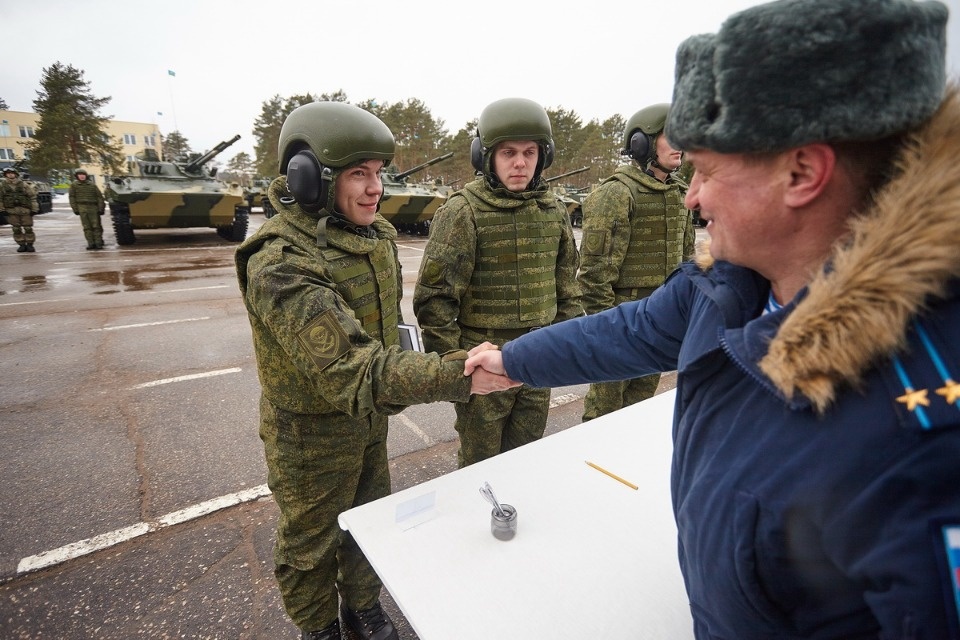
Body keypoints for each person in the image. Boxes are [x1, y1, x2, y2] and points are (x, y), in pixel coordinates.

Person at [465, 0, 960, 636]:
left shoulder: (925, 441)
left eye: (706, 171)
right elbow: (637, 329)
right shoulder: (731, 281)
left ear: (802, 173)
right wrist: (513, 360)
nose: (692, 196)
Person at [235, 102, 511, 640]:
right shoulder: (280, 262)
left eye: (378, 173)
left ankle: (362, 608)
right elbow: (354, 371)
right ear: (310, 179)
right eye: (358, 174)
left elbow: (387, 336)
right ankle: (319, 629)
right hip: (311, 434)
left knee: (369, 520)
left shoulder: (372, 235)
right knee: (310, 543)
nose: (374, 188)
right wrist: (459, 373)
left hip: (368, 422)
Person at [413, 97, 582, 468]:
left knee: (525, 459)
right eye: (508, 152)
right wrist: (458, 367)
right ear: (486, 157)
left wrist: (564, 349)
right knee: (480, 466)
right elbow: (435, 301)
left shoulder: (553, 211)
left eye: (529, 152)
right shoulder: (463, 210)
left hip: (538, 359)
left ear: (544, 156)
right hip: (484, 365)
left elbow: (567, 288)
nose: (520, 162)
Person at [577, 103, 694, 421]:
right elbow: (593, 276)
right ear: (642, 143)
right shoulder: (617, 193)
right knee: (603, 416)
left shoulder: (680, 193)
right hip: (621, 324)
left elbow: (686, 263)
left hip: (660, 322)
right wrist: (608, 332)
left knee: (638, 411)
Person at [1, 166, 38, 252]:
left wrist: (34, 209)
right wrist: (2, 210)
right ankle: (21, 244)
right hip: (11, 210)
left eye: (12, 173)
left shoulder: (23, 185)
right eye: (8, 174)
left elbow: (32, 197)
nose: (10, 175)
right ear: (5, 175)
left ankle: (30, 244)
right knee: (16, 228)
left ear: (15, 174)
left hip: (25, 210)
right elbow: (0, 199)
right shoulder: (2, 186)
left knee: (28, 228)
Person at [68, 169, 106, 250]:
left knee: (96, 226)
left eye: (83, 174)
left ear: (86, 175)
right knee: (87, 227)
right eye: (80, 174)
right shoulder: (74, 185)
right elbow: (72, 198)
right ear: (77, 176)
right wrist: (75, 208)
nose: (82, 176)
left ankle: (98, 242)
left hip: (93, 207)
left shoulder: (92, 185)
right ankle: (91, 243)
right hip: (82, 207)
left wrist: (101, 208)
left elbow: (99, 197)